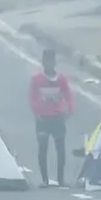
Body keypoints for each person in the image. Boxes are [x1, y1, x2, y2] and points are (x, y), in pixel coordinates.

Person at [28, 49, 73, 188]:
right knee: (43, 148)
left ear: (54, 62)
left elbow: (68, 95)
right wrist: (36, 113)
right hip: (42, 119)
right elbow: (32, 98)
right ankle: (45, 180)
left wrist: (69, 110)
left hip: (57, 118)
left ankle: (61, 179)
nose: (49, 64)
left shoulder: (61, 79)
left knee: (60, 149)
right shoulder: (36, 80)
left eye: (51, 61)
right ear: (43, 62)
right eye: (46, 61)